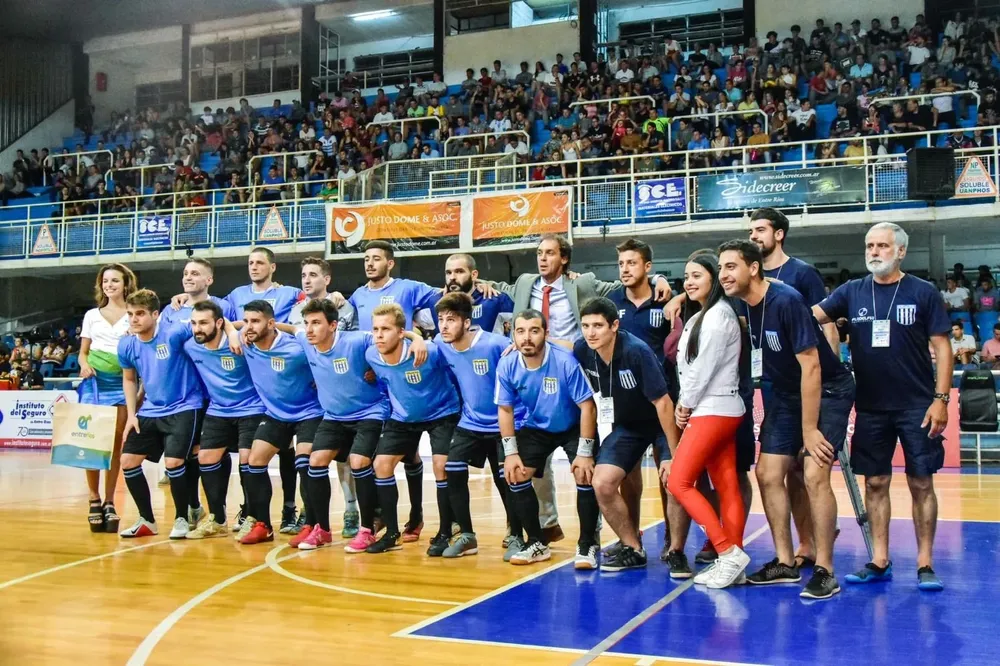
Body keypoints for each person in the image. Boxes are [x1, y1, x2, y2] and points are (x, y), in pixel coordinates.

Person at [481, 233, 671, 544]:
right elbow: (499, 290)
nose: (543, 258)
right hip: (538, 371)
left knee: (597, 465)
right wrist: (483, 284)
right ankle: (543, 525)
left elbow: (623, 283)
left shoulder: (582, 283)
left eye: (550, 253)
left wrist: (661, 279)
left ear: (565, 258)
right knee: (534, 456)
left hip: (577, 368)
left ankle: (592, 536)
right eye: (539, 253)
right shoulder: (526, 282)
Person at [814, 222, 952, 591]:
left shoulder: (922, 292)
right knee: (875, 482)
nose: (874, 252)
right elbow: (807, 316)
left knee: (921, 482)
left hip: (918, 405)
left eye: (882, 246)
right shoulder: (851, 291)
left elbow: (943, 347)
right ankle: (880, 559)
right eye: (870, 246)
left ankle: (924, 563)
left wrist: (941, 400)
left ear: (901, 251)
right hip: (871, 406)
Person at [719, 239, 855, 600]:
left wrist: (809, 430)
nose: (723, 275)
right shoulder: (742, 304)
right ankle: (784, 561)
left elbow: (811, 366)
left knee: (813, 472)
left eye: (731, 266)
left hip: (827, 389)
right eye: (720, 268)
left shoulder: (787, 300)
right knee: (766, 473)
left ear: (753, 268)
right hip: (785, 395)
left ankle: (825, 569)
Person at [277, 299, 426, 552]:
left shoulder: (357, 340)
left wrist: (418, 338)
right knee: (315, 461)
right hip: (334, 416)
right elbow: (289, 329)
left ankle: (367, 529)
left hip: (370, 412)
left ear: (334, 325)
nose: (309, 329)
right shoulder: (306, 340)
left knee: (359, 462)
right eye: (307, 323)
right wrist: (231, 329)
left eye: (316, 323)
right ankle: (321, 529)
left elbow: (391, 333)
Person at [748, 207, 840, 570]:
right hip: (774, 384)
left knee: (806, 468)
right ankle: (803, 543)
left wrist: (824, 382)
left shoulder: (801, 275)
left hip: (810, 379)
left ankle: (813, 541)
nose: (754, 236)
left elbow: (827, 325)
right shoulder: (742, 278)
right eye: (750, 231)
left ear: (779, 233)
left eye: (760, 229)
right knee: (780, 470)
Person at [575, 298, 678, 572]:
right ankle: (633, 547)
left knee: (673, 478)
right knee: (603, 483)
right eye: (585, 326)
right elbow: (557, 351)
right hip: (628, 426)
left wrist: (675, 452)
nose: (591, 332)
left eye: (598, 325)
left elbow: (664, 404)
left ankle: (675, 547)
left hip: (659, 421)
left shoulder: (636, 351)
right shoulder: (582, 349)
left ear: (615, 326)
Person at [604, 238, 688, 573]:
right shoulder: (611, 304)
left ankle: (672, 538)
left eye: (632, 263)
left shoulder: (665, 299)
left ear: (648, 267)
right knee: (628, 476)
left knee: (671, 476)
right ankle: (632, 538)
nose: (625, 269)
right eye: (622, 264)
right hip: (628, 408)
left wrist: (675, 291)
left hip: (664, 403)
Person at [496, 309, 600, 569]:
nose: (527, 338)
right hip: (539, 426)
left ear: (546, 334)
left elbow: (588, 407)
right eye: (520, 331)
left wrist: (585, 452)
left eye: (534, 330)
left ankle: (588, 544)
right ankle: (536, 542)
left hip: (574, 424)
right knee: (516, 473)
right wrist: (510, 453)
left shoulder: (565, 361)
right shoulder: (507, 364)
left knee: (584, 474)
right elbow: (505, 409)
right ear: (513, 335)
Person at [669, 253, 749, 588]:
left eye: (697, 275)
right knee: (727, 483)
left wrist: (684, 405)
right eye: (686, 276)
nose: (689, 282)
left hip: (712, 409)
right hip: (716, 408)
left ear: (713, 279)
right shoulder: (706, 314)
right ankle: (734, 562)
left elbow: (702, 369)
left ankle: (726, 551)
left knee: (679, 482)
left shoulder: (717, 317)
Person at [365, 303, 462, 555]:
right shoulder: (371, 356)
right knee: (381, 465)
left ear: (400, 332)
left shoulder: (427, 351)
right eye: (375, 329)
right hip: (404, 417)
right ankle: (393, 534)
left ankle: (444, 532)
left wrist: (415, 337)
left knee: (441, 466)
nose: (378, 335)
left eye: (385, 329)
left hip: (442, 413)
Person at [434, 292, 521, 559]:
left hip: (503, 424)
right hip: (470, 422)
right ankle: (468, 535)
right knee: (452, 468)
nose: (444, 326)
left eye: (451, 320)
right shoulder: (441, 343)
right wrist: (415, 338)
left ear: (466, 322)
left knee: (506, 477)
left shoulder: (495, 345)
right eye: (440, 320)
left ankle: (516, 533)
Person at [117, 290, 207, 539]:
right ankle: (147, 520)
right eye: (130, 314)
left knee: (174, 462)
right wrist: (132, 415)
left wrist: (232, 331)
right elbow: (129, 379)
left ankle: (182, 517)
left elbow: (209, 325)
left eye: (140, 314)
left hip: (185, 406)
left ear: (156, 315)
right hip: (150, 409)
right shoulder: (126, 343)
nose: (133, 319)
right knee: (128, 461)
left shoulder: (175, 331)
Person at [237, 300, 326, 545]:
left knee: (304, 463)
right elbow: (221, 324)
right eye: (246, 321)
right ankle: (263, 525)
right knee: (254, 461)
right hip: (276, 414)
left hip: (309, 412)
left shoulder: (297, 347)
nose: (248, 327)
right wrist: (233, 333)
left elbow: (323, 355)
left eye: (255, 321)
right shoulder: (247, 343)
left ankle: (312, 525)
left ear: (271, 323)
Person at [288, 257, 361, 539]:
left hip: (338, 394)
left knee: (343, 458)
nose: (307, 280)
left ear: (327, 280)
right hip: (307, 396)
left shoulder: (345, 308)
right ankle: (311, 513)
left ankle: (351, 509)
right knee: (308, 458)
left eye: (313, 275)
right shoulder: (295, 312)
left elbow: (353, 348)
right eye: (304, 275)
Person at [181, 301, 262, 539]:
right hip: (218, 410)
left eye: (204, 323)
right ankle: (217, 518)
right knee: (205, 457)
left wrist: (231, 332)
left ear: (218, 323)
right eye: (194, 323)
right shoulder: (191, 346)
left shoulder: (241, 343)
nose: (198, 328)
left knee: (248, 460)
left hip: (251, 407)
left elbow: (244, 327)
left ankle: (251, 515)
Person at [78, 263, 136, 533]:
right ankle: (93, 498)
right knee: (93, 442)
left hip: (122, 381)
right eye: (105, 281)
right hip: (94, 383)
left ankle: (111, 500)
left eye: (115, 280)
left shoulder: (133, 314)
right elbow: (83, 352)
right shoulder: (92, 315)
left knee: (115, 444)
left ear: (126, 284)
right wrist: (83, 364)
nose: (109, 285)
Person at [332, 241, 440, 332]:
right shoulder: (358, 295)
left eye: (376, 259)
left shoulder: (408, 288)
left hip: (400, 355)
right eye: (366, 259)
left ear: (390, 264)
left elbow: (444, 295)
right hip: (368, 356)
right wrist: (336, 295)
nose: (370, 263)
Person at [442, 253, 513, 334]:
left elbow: (525, 321)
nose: (452, 277)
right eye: (448, 273)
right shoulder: (437, 301)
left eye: (459, 271)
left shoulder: (494, 299)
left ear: (473, 275)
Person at [159, 258, 237, 326]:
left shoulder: (224, 307)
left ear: (209, 280)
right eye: (185, 274)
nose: (188, 278)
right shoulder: (170, 309)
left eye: (194, 274)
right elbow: (161, 340)